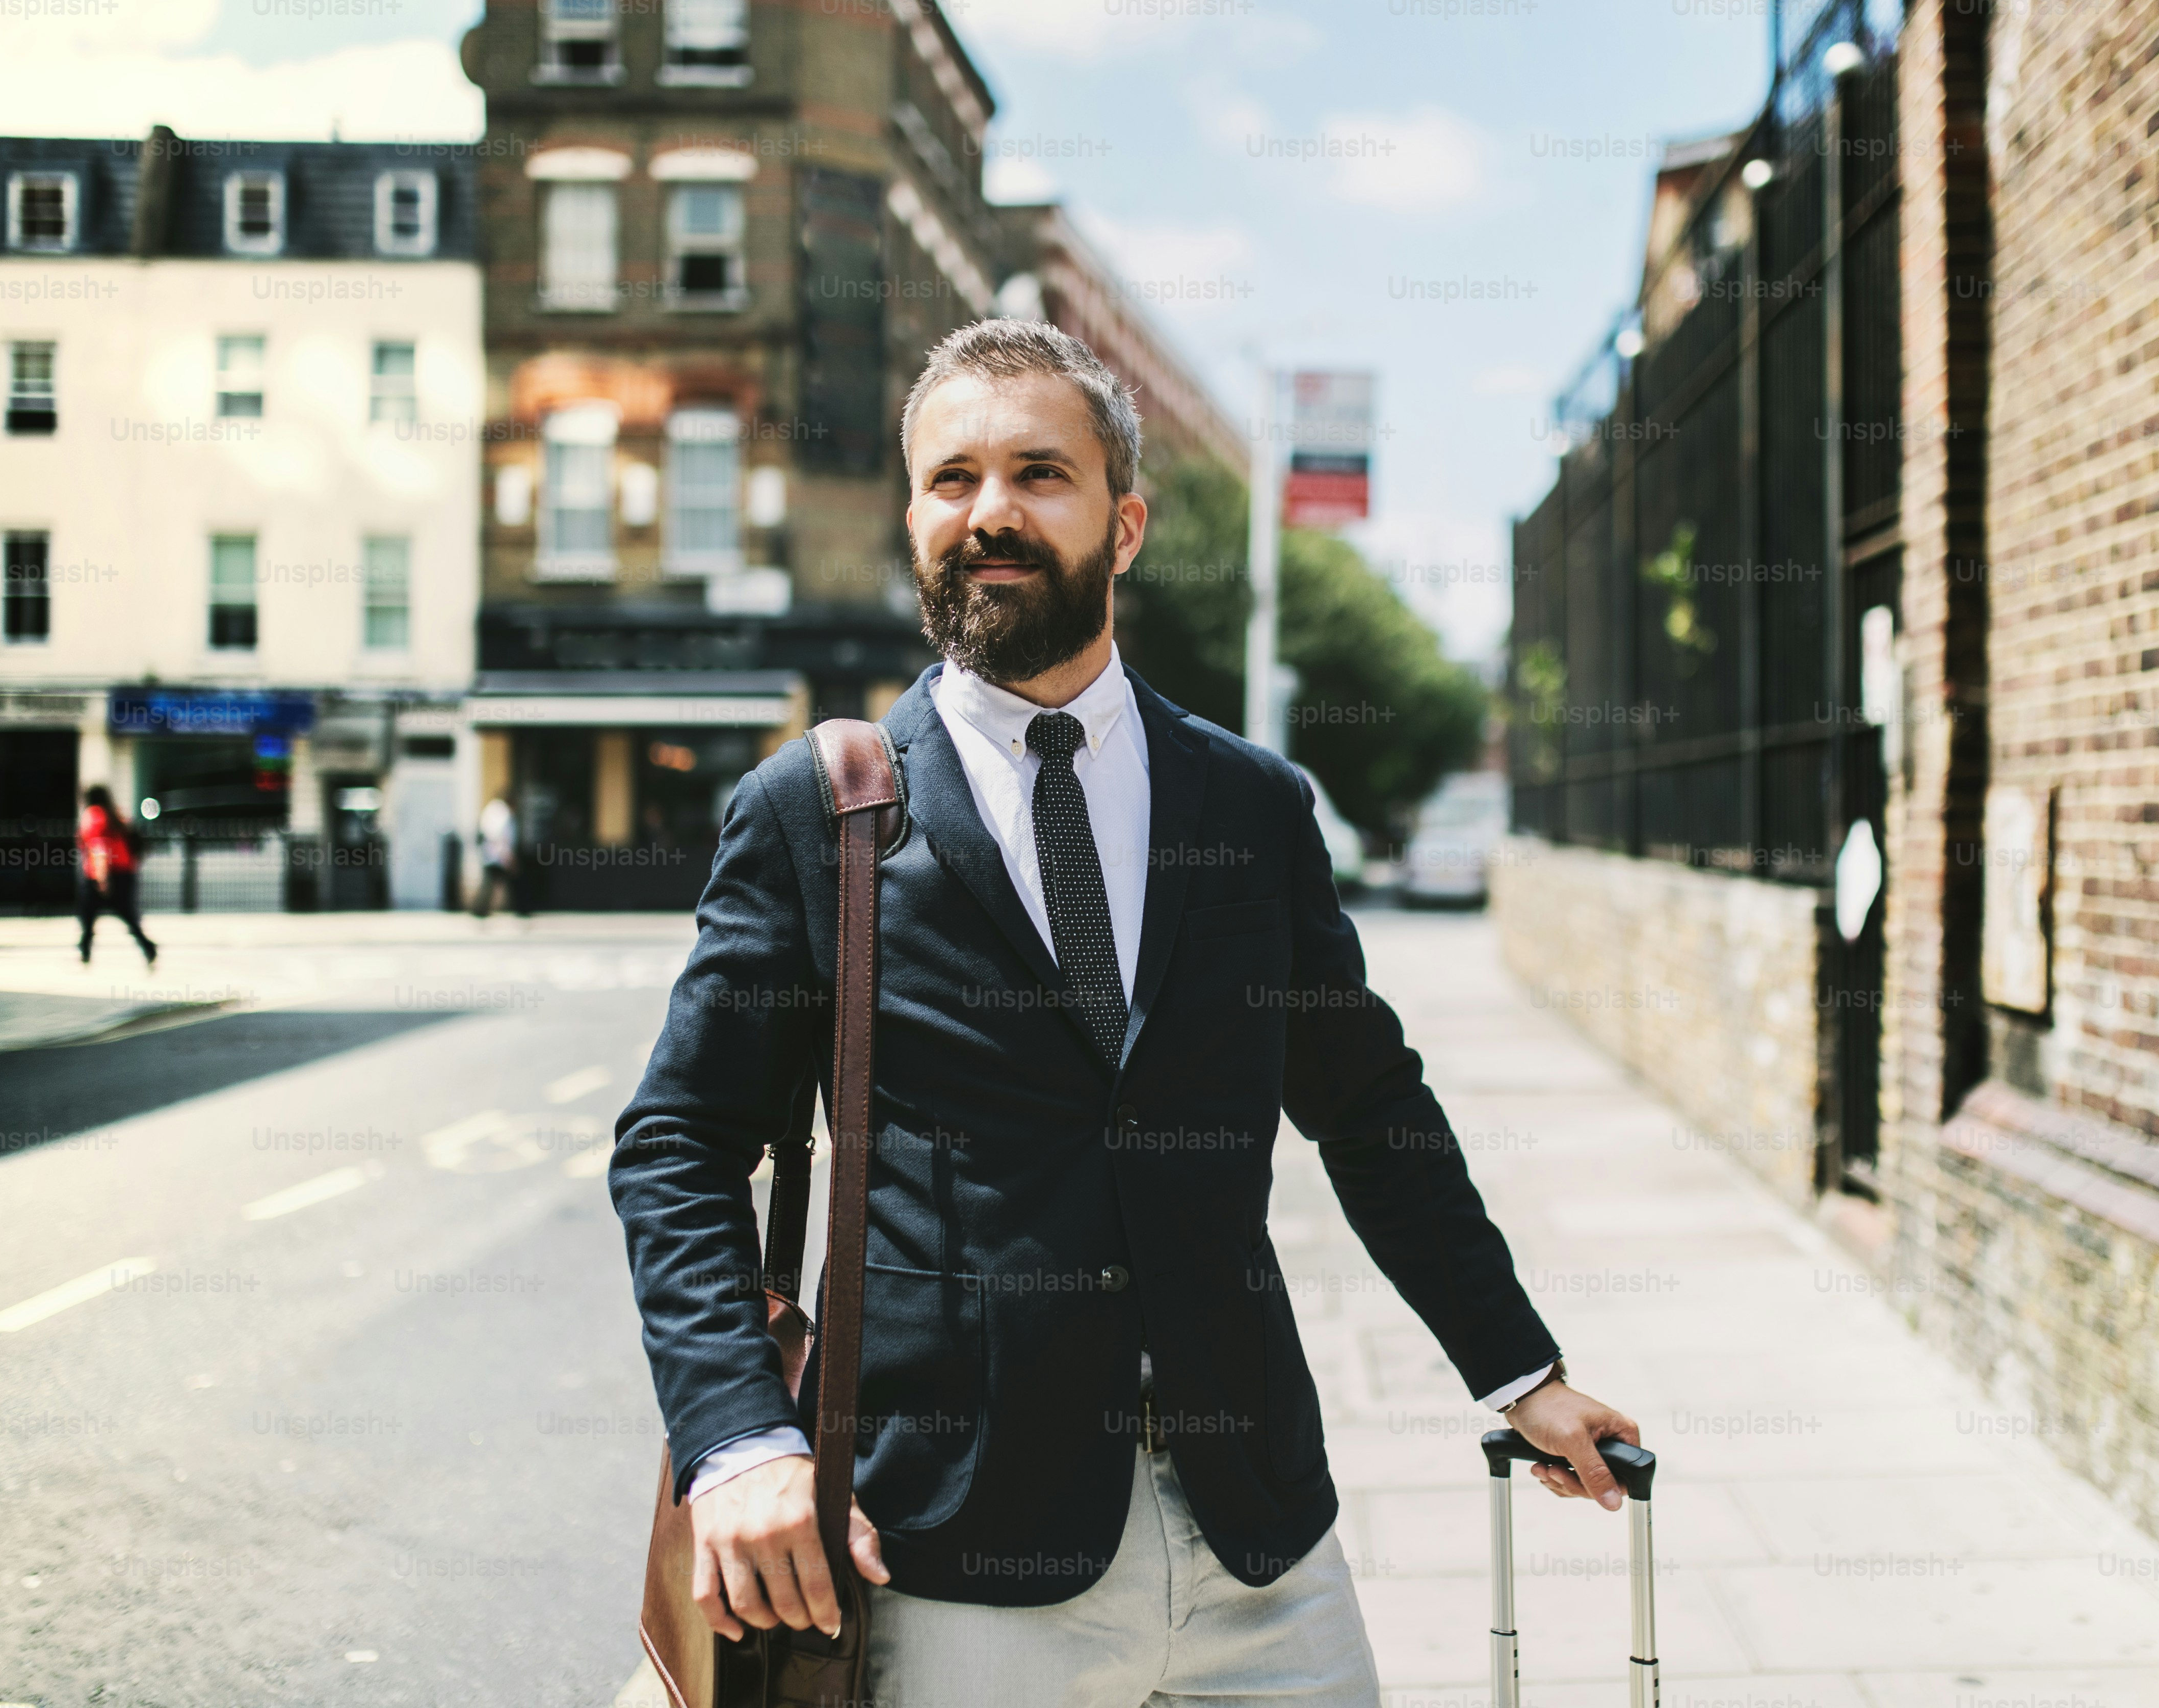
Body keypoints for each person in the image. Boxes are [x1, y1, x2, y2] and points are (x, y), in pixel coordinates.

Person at [612, 319, 1638, 1706]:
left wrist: (1521, 1369)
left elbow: (1369, 1108)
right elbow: (678, 1143)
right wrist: (741, 1441)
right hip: (966, 1547)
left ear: (1128, 522)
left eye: (1040, 474)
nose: (990, 513)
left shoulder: (1251, 808)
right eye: (952, 479)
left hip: (1259, 1533)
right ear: (914, 518)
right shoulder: (822, 813)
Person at [75, 785, 155, 969]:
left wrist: (102, 878)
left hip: (104, 873)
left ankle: (85, 952)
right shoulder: (115, 814)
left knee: (88, 913)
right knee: (127, 914)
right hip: (125, 873)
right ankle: (148, 947)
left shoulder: (95, 815)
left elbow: (98, 847)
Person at [471, 794, 522, 917]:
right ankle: (521, 908)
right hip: (497, 856)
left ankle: (480, 909)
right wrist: (506, 855)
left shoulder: (492, 810)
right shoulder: (502, 813)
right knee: (508, 882)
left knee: (491, 883)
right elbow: (501, 836)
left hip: (490, 854)